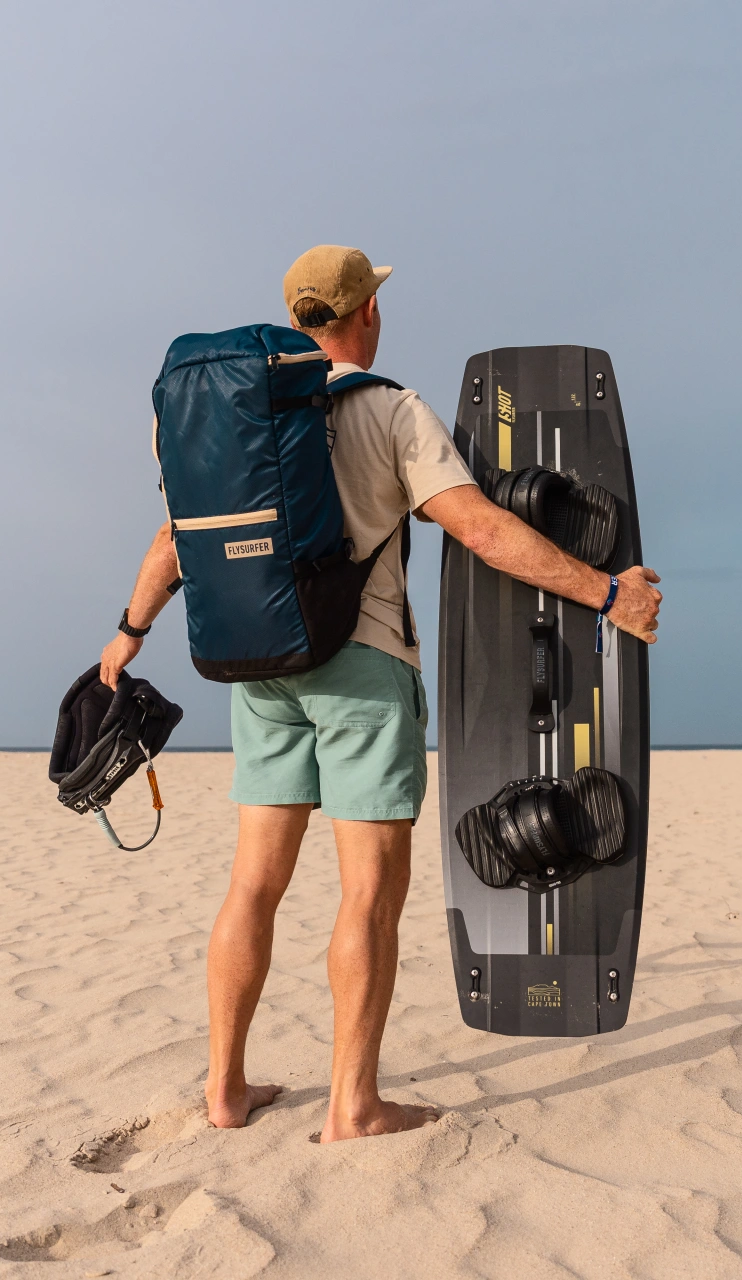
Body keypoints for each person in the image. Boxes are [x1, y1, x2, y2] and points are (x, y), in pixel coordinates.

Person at [99, 246, 664, 1144]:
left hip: (260, 670)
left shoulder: (242, 419)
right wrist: (605, 594)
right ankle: (353, 1107)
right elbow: (479, 529)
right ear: (367, 313)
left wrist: (126, 637)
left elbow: (175, 545)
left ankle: (225, 1091)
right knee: (367, 893)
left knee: (253, 885)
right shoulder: (391, 409)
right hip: (361, 669)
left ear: (296, 320)